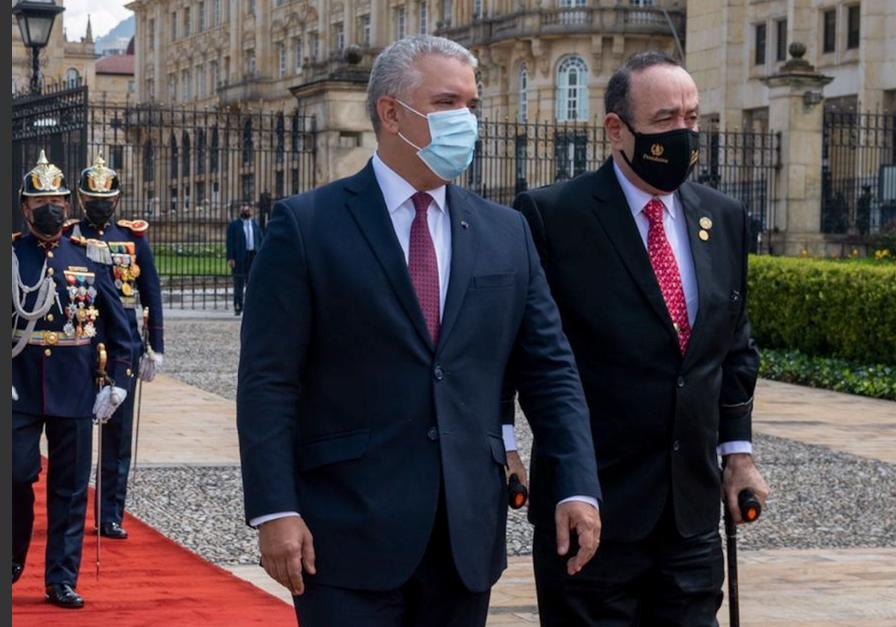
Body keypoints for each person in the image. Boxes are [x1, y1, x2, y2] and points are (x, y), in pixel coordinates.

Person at [237, 35, 601, 627]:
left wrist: (577, 485)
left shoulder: (506, 232)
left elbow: (551, 372)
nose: (468, 120)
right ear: (391, 112)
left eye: (472, 105)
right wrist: (274, 508)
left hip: (464, 534)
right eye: (448, 102)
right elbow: (268, 381)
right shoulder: (306, 227)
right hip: (345, 533)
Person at [509, 52, 770, 625]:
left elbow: (734, 348)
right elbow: (515, 351)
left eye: (693, 119)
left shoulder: (721, 217)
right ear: (615, 129)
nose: (683, 134)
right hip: (591, 507)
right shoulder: (553, 216)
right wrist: (503, 444)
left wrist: (738, 453)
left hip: (692, 515)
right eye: (665, 120)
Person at [12, 151, 134, 609]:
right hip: (19, 386)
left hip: (76, 387)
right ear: (26, 207)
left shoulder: (90, 257)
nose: (53, 208)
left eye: (59, 200)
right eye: (42, 200)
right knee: (14, 474)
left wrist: (118, 381)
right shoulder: (12, 254)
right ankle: (12, 551)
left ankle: (60, 578)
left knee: (69, 487)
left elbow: (120, 328)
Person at [66, 154, 166, 540]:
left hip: (123, 340)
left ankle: (110, 513)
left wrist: (155, 346)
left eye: (106, 199)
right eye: (92, 198)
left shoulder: (132, 238)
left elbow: (150, 294)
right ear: (80, 198)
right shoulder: (71, 235)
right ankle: (73, 506)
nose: (99, 205)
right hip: (84, 338)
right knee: (74, 430)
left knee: (118, 435)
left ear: (118, 200)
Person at [226, 200, 263, 315]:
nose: (246, 209)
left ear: (251, 210)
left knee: (252, 282)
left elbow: (260, 240)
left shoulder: (255, 224)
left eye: (248, 207)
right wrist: (230, 258)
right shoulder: (234, 225)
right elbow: (230, 242)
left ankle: (252, 305)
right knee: (239, 282)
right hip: (239, 257)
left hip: (253, 255)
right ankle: (238, 305)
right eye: (243, 207)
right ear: (240, 210)